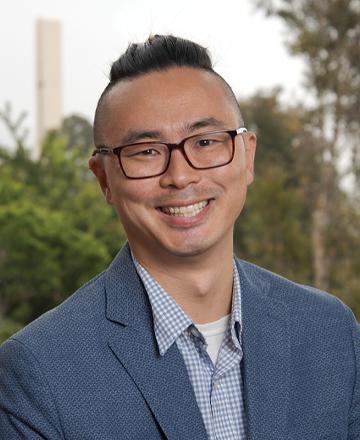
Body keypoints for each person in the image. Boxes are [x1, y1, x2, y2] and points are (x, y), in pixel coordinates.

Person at [0, 34, 359, 440]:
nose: (181, 176)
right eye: (146, 152)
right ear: (104, 180)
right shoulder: (39, 371)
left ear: (247, 157)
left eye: (205, 142)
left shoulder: (330, 332)